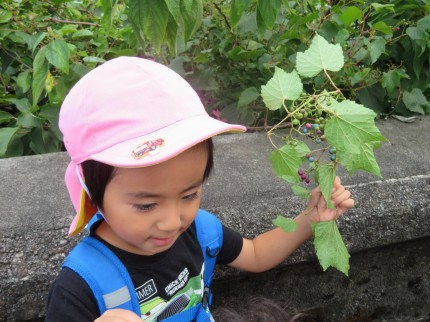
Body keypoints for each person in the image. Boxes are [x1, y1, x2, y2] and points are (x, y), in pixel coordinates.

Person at [45, 56, 354, 322]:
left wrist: (309, 220)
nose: (173, 221)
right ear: (92, 193)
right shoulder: (82, 286)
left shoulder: (201, 231)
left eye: (189, 195)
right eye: (146, 205)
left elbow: (256, 253)